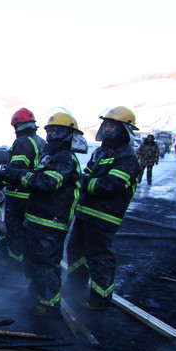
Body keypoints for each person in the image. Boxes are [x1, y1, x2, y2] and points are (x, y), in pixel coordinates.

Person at [0, 108, 82, 314]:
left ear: (67, 133)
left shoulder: (65, 158)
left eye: (56, 131)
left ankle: (48, 305)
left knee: (46, 263)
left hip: (52, 220)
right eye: (49, 130)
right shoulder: (49, 154)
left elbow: (47, 182)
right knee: (32, 259)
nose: (51, 135)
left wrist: (15, 175)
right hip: (36, 217)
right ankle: (34, 295)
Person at [66, 106, 142, 311]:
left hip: (105, 216)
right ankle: (73, 290)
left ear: (123, 129)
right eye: (106, 125)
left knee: (98, 257)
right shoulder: (101, 152)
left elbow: (112, 185)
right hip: (85, 213)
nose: (107, 130)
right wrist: (88, 182)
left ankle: (100, 299)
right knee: (76, 253)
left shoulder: (127, 157)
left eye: (112, 126)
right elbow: (88, 175)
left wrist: (87, 183)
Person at [0, 108, 45, 268]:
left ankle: (11, 266)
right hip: (33, 197)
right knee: (24, 234)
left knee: (13, 233)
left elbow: (15, 171)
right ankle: (7, 259)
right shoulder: (41, 142)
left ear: (17, 126)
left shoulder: (23, 142)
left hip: (19, 198)